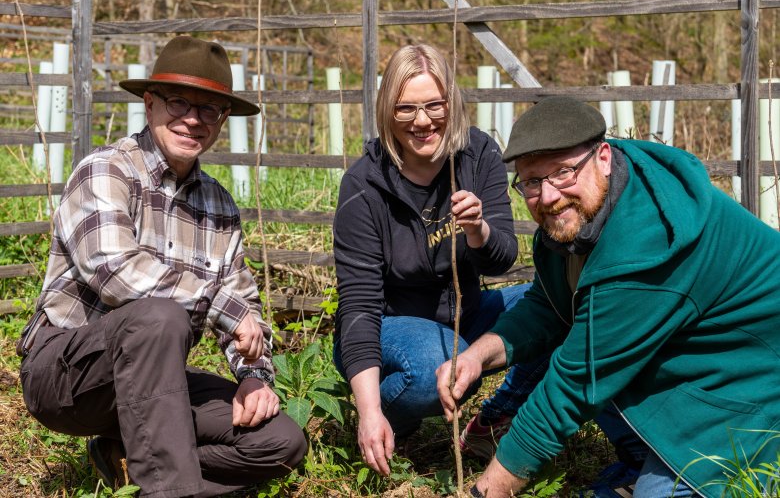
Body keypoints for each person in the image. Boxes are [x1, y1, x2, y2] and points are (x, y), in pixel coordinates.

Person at [437, 96, 780, 498]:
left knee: (659, 494)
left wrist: (485, 492)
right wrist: (478, 357)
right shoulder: (586, 207)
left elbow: (575, 383)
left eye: (563, 172)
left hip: (754, 382)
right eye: (531, 181)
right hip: (696, 357)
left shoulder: (646, 247)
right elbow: (550, 306)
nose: (547, 197)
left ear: (602, 156)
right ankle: (641, 453)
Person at [17, 36, 307, 497]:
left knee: (280, 441)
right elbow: (114, 272)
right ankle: (173, 491)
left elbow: (244, 306)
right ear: (149, 105)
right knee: (158, 315)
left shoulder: (219, 205)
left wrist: (254, 376)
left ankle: (126, 459)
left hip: (155, 379)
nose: (193, 119)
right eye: (178, 102)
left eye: (209, 110)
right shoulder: (106, 172)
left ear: (222, 121)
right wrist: (217, 304)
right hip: (68, 375)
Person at [332, 44, 545, 476]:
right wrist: (370, 409)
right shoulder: (363, 186)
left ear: (452, 102)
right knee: (437, 366)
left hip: (464, 315)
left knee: (558, 304)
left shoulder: (477, 154)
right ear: (387, 111)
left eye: (434, 105)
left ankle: (495, 417)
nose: (423, 121)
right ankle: (388, 421)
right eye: (406, 108)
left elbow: (502, 259)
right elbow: (359, 306)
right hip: (393, 325)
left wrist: (477, 230)